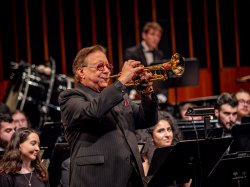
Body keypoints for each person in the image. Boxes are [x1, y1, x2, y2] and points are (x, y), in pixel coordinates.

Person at [58, 45, 158, 187]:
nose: (106, 71)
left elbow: (147, 119)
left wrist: (146, 91)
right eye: (100, 66)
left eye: (108, 66)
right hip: (97, 179)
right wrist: (122, 81)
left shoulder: (119, 96)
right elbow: (93, 111)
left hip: (131, 178)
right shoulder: (70, 97)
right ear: (81, 72)